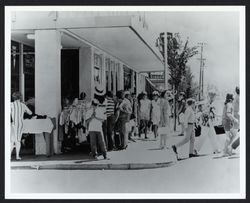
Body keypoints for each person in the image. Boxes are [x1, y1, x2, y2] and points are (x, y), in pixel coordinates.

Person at [11, 92, 33, 160]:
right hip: (20, 124)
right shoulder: (22, 105)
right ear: (20, 97)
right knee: (18, 140)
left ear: (13, 97)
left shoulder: (10, 104)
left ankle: (8, 156)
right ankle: (17, 156)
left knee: (11, 140)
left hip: (13, 124)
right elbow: (30, 113)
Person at [229, 86, 240, 152]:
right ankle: (230, 147)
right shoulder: (238, 97)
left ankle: (230, 146)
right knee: (235, 133)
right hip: (237, 115)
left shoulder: (237, 97)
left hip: (236, 115)